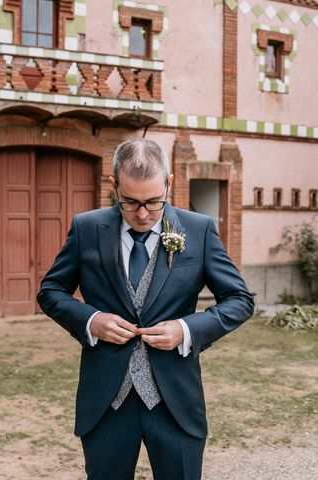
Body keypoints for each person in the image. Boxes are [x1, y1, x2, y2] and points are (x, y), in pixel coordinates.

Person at [37, 138, 254, 480]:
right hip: (106, 403)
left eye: (154, 202)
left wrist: (185, 330)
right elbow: (50, 291)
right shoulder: (86, 228)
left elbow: (240, 300)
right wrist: (91, 321)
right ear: (113, 186)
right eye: (130, 202)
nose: (142, 214)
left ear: (169, 183)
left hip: (175, 404)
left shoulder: (198, 230)